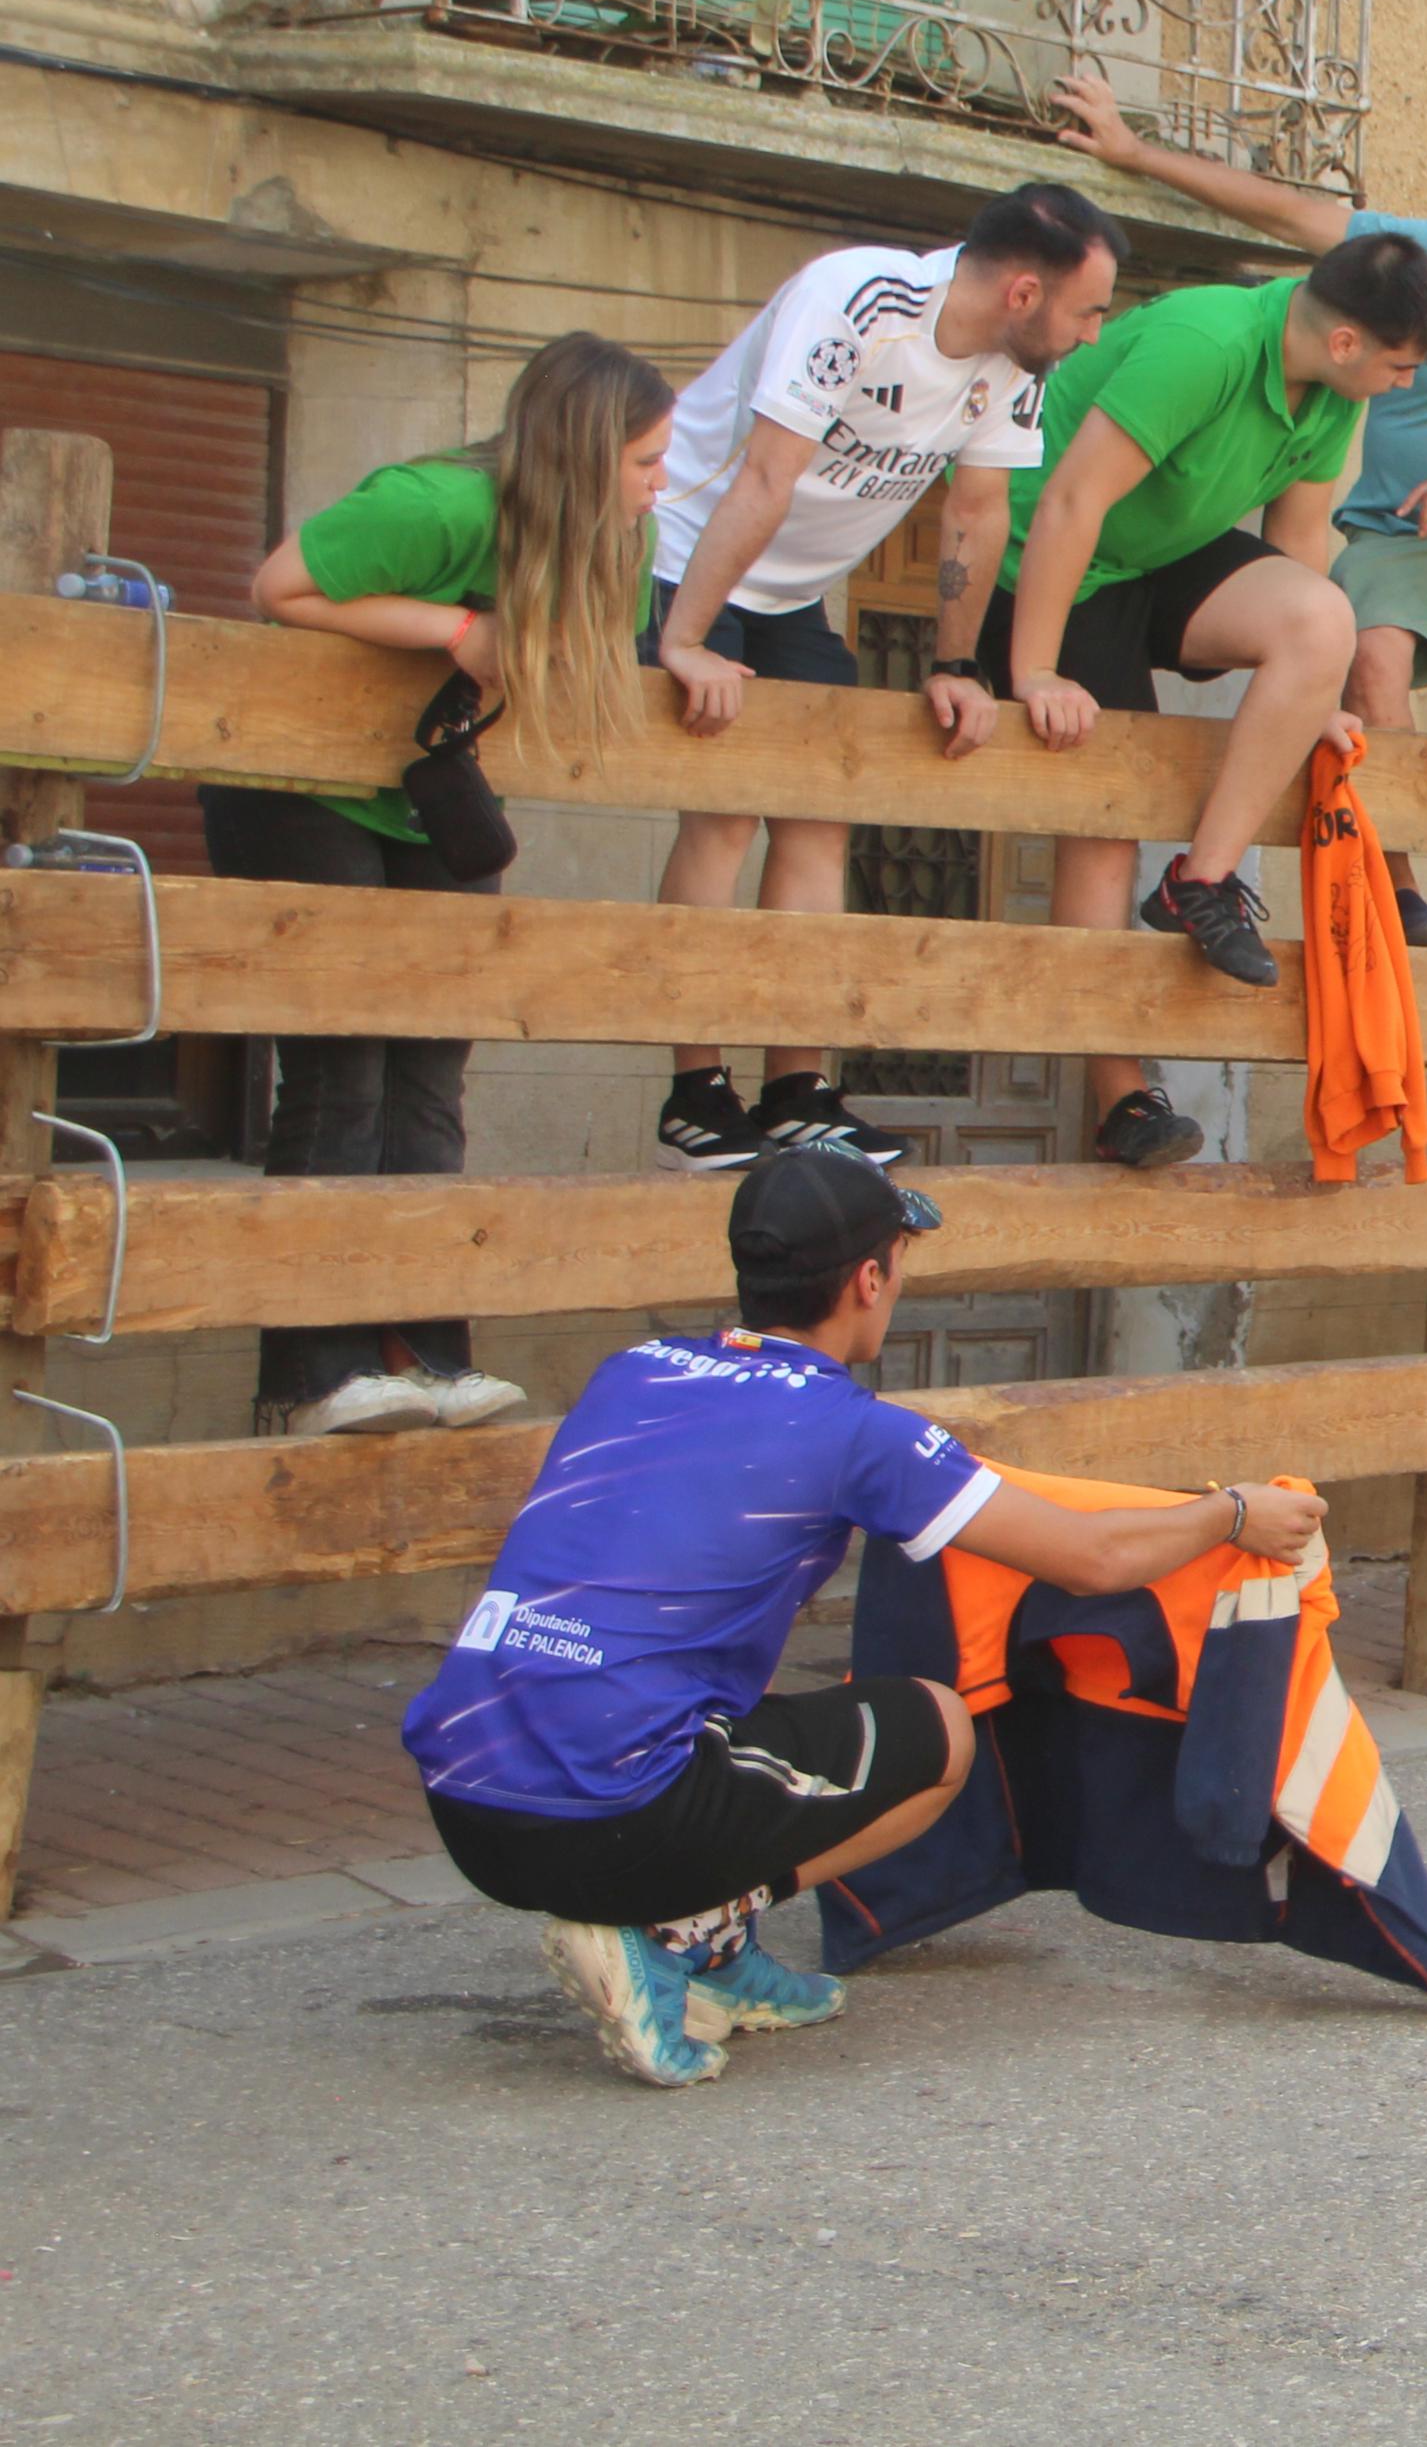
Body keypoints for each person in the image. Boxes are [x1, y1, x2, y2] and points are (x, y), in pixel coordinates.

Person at [401, 1141, 1330, 2088]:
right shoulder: (857, 1429)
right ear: (870, 1277)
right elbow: (1092, 1560)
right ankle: (679, 1930)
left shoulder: (630, 1370)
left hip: (467, 1806)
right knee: (939, 1729)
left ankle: (717, 1960)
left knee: (730, 1714)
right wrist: (1237, 1512)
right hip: (608, 1818)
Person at [1052, 79, 1427, 940]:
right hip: (1409, 522)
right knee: (1370, 658)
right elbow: (1298, 220)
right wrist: (1133, 153)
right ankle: (1402, 886)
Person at [239, 332, 675, 1436]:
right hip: (300, 789)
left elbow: (603, 654)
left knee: (431, 1076)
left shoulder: (623, 543)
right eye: (643, 463)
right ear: (584, 457)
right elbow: (277, 584)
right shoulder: (435, 506)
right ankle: (313, 1371)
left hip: (425, 792)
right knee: (343, 1073)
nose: (657, 486)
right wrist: (458, 628)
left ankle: (422, 1351)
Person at [642, 184, 1125, 1173]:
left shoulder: (1008, 367)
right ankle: (696, 1092)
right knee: (724, 815)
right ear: (1026, 291)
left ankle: (795, 1089)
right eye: (1088, 312)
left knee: (822, 819)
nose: (1087, 335)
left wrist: (955, 662)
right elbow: (765, 478)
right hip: (690, 555)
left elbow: (975, 510)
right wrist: (686, 640)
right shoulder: (855, 302)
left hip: (795, 592)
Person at [979, 232, 1427, 1169]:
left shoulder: (1330, 394)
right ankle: (1122, 1099)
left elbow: (1294, 541)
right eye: (1400, 367)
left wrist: (1308, 687)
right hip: (1051, 569)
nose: (1405, 385)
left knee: (1323, 619)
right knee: (1102, 825)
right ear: (1345, 344)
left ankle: (1199, 880)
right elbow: (1071, 504)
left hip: (1154, 561)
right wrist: (1034, 670)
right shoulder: (1205, 343)